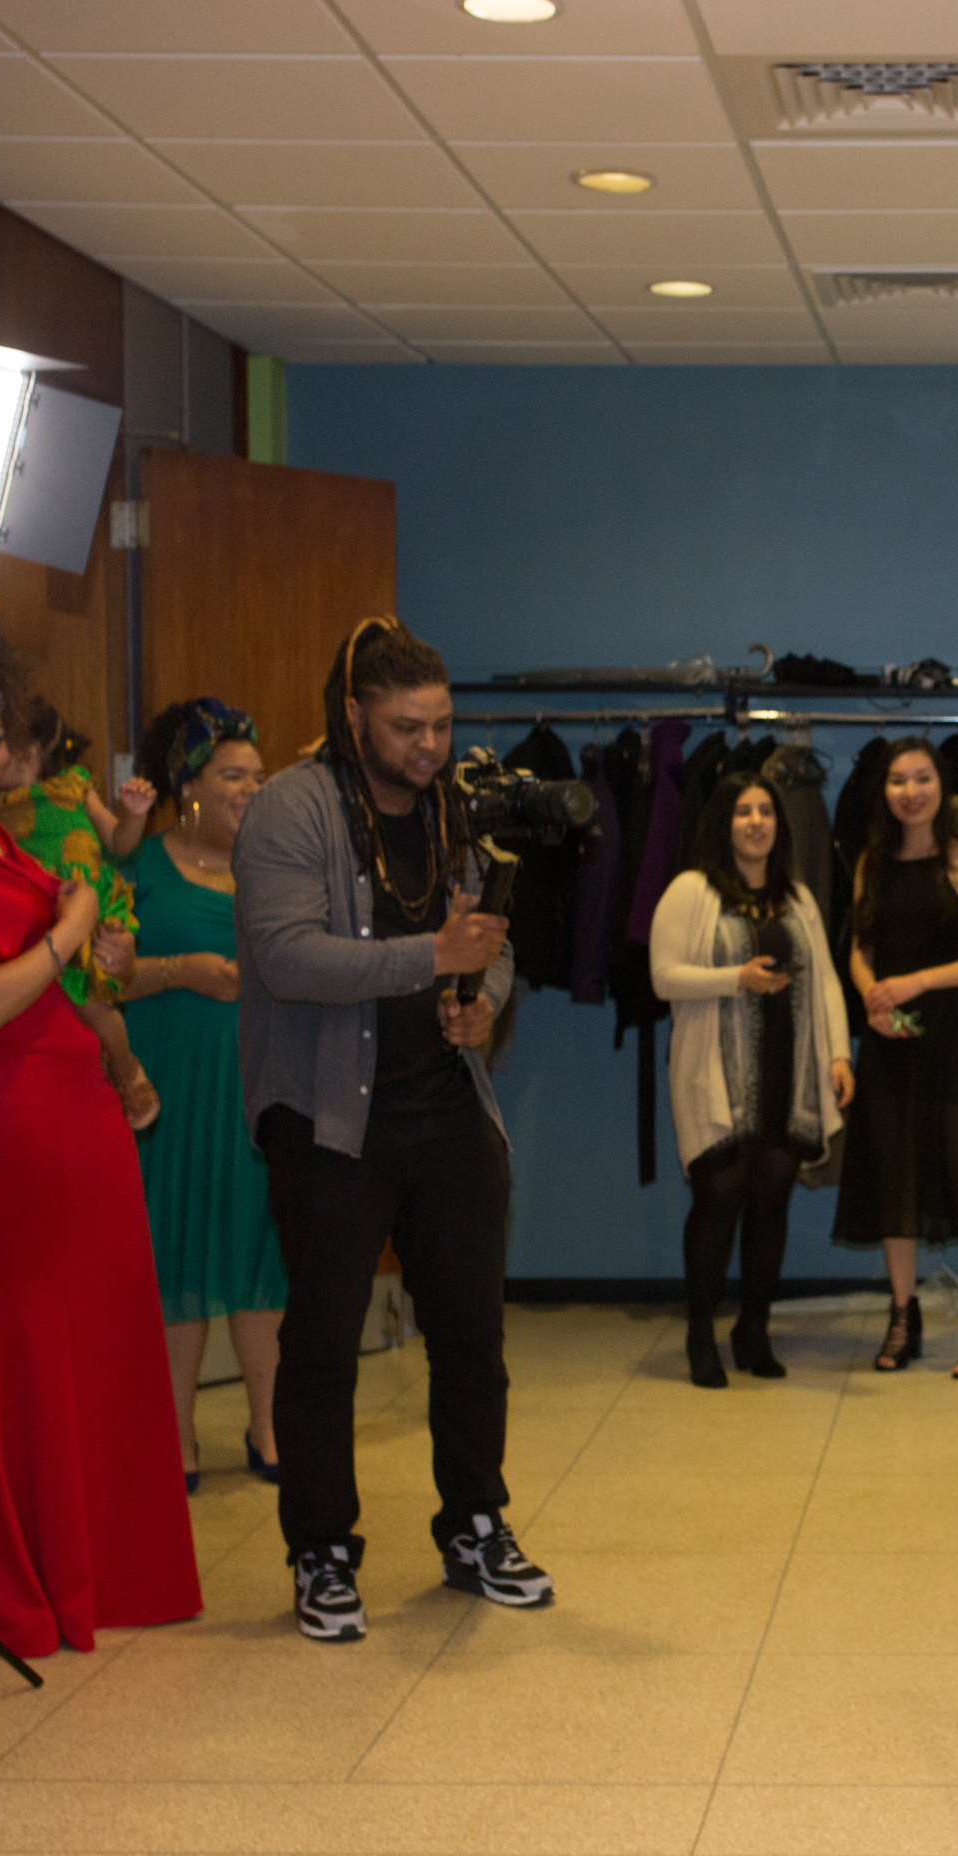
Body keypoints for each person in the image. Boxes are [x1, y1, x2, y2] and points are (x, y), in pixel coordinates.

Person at [0, 653, 202, 1658]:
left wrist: (98, 949)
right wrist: (67, 937)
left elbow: (68, 949)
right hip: (12, 1109)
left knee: (94, 1330)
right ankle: (12, 1575)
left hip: (74, 1101)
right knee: (20, 1329)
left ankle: (89, 1564)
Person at [237, 615, 540, 1645]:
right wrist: (430, 957)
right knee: (322, 1344)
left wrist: (481, 995)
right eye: (408, 726)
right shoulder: (291, 808)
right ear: (356, 715)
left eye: (443, 724)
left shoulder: (458, 810)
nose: (430, 745)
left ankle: (476, 1523)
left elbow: (490, 942)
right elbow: (286, 957)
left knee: (473, 1338)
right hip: (329, 1118)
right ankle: (321, 1550)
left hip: (447, 1106)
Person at [117, 697, 285, 1491]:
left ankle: (269, 1425)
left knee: (260, 1250)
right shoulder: (138, 866)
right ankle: (173, 1431)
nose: (250, 789)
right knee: (176, 1249)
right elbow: (97, 980)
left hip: (256, 1086)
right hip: (172, 1089)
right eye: (232, 776)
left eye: (258, 775)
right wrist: (184, 970)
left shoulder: (277, 865)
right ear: (188, 784)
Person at [651, 775, 856, 1386]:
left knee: (772, 1202)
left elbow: (823, 981)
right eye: (743, 811)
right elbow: (663, 977)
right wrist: (733, 978)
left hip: (787, 1074)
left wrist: (840, 1056)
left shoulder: (797, 897)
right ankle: (699, 1334)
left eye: (766, 811)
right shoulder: (691, 891)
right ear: (724, 822)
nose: (756, 822)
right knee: (716, 1202)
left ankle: (753, 1330)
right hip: (713, 1076)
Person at [833, 737, 958, 1376]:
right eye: (897, 780)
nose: (909, 791)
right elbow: (858, 950)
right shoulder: (873, 861)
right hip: (891, 1042)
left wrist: (917, 982)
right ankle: (903, 1317)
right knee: (895, 1180)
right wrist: (872, 998)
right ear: (882, 790)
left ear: (942, 785)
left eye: (921, 778)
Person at [0, 698, 159, 1129]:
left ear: (33, 753)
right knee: (75, 1010)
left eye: (1, 745)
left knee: (96, 1009)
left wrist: (134, 815)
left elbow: (120, 843)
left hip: (89, 904)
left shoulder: (74, 785)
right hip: (45, 917)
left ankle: (128, 1070)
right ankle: (111, 1071)